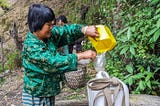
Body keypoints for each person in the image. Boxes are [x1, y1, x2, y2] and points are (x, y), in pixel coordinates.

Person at [22, 4, 98, 106]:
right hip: (36, 95)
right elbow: (53, 62)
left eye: (52, 24)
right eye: (48, 25)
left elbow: (65, 31)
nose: (51, 28)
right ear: (37, 25)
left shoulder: (48, 35)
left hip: (48, 92)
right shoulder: (31, 46)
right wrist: (80, 56)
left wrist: (84, 30)